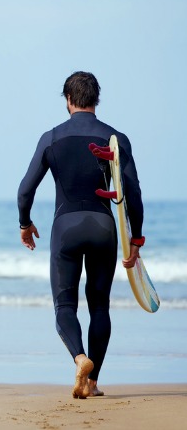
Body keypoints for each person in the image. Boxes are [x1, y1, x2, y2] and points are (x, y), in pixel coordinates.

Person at [17, 71, 144, 399]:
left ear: (68, 100)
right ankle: (93, 381)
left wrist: (25, 223)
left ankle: (80, 358)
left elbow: (25, 190)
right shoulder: (116, 139)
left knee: (64, 306)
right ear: (96, 100)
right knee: (100, 307)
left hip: (66, 228)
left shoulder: (51, 138)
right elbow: (133, 193)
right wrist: (136, 239)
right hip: (104, 228)